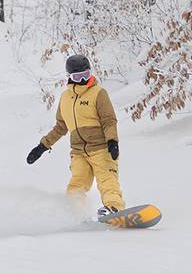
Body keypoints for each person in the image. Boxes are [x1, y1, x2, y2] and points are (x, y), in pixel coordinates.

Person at [27, 53, 123, 215]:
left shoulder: (99, 93)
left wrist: (112, 141)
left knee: (107, 180)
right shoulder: (65, 98)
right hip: (78, 152)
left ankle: (114, 208)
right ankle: (76, 214)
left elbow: (109, 120)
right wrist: (42, 146)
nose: (82, 81)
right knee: (76, 185)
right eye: (77, 77)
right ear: (69, 77)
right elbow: (60, 127)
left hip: (100, 149)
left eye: (85, 75)